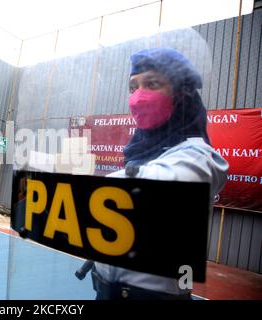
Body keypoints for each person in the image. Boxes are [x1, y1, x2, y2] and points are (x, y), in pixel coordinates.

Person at [90, 48, 229, 300]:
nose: (137, 96)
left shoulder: (198, 156)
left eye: (152, 83)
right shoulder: (139, 151)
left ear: (181, 94)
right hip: (106, 290)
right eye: (133, 87)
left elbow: (146, 191)